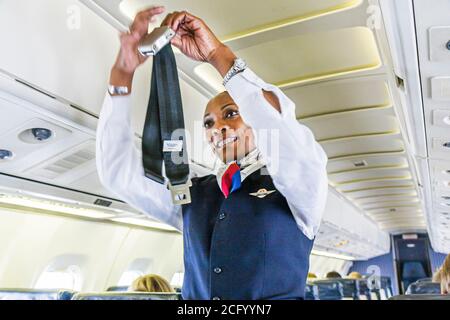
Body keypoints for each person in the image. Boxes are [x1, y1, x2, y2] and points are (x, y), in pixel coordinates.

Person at [96, 6, 328, 300]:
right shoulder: (192, 190)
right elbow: (118, 173)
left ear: (254, 121)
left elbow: (279, 126)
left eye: (231, 114)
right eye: (208, 123)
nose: (217, 127)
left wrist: (218, 55)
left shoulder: (299, 189)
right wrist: (122, 75)